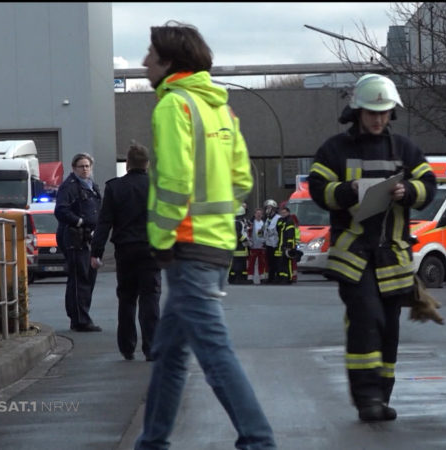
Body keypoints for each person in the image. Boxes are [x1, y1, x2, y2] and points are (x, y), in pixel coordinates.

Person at [135, 21, 275, 450]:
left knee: (213, 352)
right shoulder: (221, 109)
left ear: (169, 62)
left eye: (150, 56)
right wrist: (216, 219)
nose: (143, 62)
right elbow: (240, 178)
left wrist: (160, 240)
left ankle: (258, 440)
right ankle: (152, 441)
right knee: (170, 352)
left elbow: (174, 183)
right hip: (216, 244)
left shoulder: (172, 106)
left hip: (187, 246)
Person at [308, 73, 437, 422]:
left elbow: (429, 185)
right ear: (357, 111)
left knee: (388, 327)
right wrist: (349, 191)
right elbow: (318, 187)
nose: (378, 119)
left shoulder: (406, 150)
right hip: (353, 255)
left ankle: (382, 395)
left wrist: (408, 192)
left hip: (392, 255)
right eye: (371, 112)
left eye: (384, 112)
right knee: (367, 318)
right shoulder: (335, 149)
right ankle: (366, 398)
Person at [90, 144, 161, 360]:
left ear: (127, 164)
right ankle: (151, 347)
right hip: (151, 250)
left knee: (127, 298)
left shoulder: (114, 188)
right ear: (147, 164)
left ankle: (127, 346)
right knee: (150, 298)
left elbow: (104, 222)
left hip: (125, 250)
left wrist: (97, 252)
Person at [55, 153, 102, 333]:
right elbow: (61, 210)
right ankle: (79, 320)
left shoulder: (93, 187)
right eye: (81, 166)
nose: (85, 169)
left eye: (87, 166)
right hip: (74, 237)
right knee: (79, 278)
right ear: (74, 168)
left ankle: (83, 315)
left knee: (89, 277)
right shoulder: (69, 187)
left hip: (89, 237)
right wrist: (79, 222)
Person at [274, 205, 297, 284]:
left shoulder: (289, 221)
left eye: (284, 213)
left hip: (287, 245)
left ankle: (288, 278)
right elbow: (277, 228)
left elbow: (290, 234)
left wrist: (289, 246)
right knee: (280, 262)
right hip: (280, 245)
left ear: (288, 213)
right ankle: (281, 277)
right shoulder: (281, 220)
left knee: (287, 263)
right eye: (282, 213)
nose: (283, 214)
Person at [228, 204, 250, 284]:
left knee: (236, 263)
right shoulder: (237, 223)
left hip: (237, 246)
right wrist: (245, 240)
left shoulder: (236, 222)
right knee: (240, 263)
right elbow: (237, 234)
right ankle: (239, 278)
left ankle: (233, 278)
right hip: (240, 246)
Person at [246, 207, 267, 283]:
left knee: (262, 263)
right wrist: (249, 242)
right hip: (253, 246)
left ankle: (262, 277)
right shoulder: (251, 223)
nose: (258, 215)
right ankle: (250, 278)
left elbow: (265, 234)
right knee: (251, 263)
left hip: (261, 246)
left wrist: (265, 243)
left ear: (262, 215)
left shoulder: (264, 223)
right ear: (254, 214)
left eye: (260, 214)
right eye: (257, 213)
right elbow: (247, 233)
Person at [263, 198, 279, 284]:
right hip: (268, 243)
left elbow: (274, 230)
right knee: (269, 262)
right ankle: (270, 277)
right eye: (266, 207)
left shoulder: (277, 218)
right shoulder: (268, 219)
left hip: (275, 243)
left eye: (269, 207)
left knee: (275, 262)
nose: (267, 209)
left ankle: (275, 278)